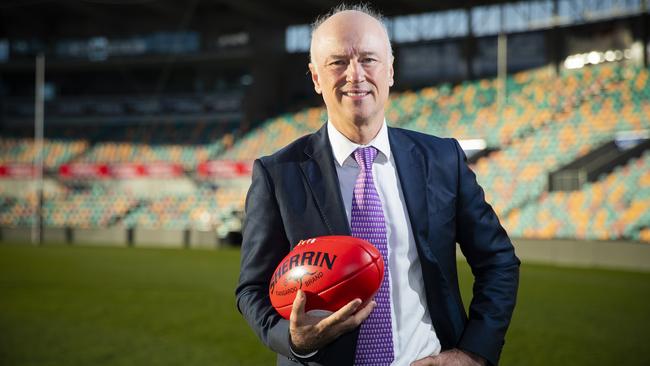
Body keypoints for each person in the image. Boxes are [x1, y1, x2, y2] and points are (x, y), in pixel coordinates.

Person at [235, 4, 519, 366]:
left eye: (368, 59)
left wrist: (474, 353)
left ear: (390, 71)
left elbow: (498, 260)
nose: (355, 75)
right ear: (316, 78)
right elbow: (252, 289)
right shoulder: (278, 174)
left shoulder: (442, 159)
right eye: (337, 62)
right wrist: (293, 339)